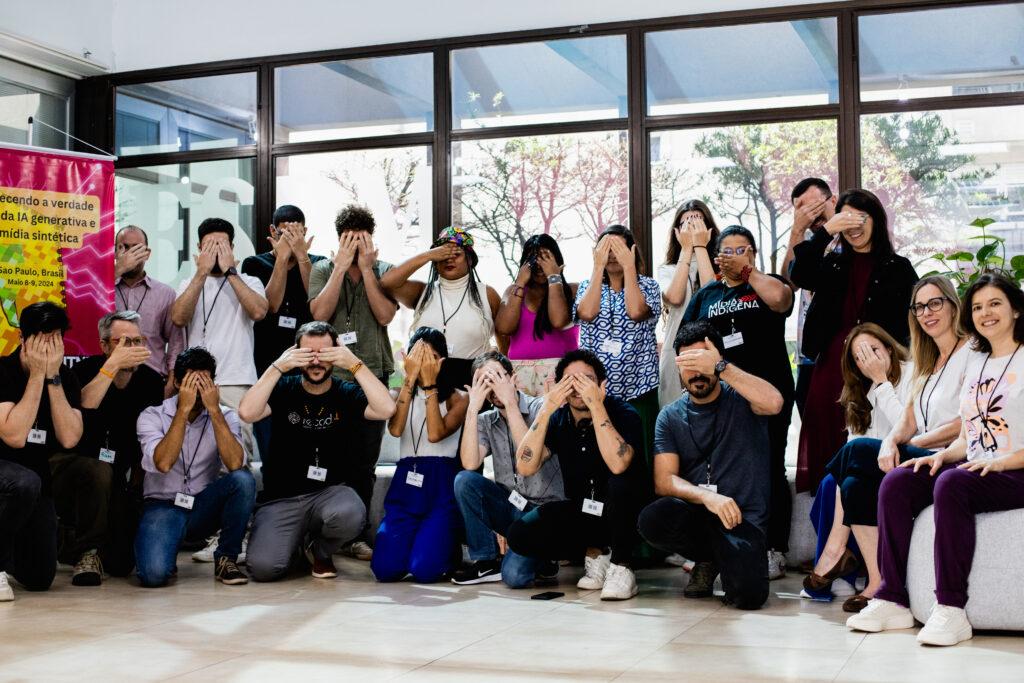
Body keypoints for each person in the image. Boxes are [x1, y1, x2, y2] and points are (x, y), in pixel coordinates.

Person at [848, 273, 1024, 647]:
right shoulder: (979, 363)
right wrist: (941, 455)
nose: (985, 313)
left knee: (952, 483)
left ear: (1016, 309)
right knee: (899, 479)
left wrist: (1002, 463)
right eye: (978, 306)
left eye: (995, 304)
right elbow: (968, 436)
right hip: (978, 465)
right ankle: (892, 597)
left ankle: (951, 608)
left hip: (1016, 469)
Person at [816, 276, 969, 611]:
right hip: (922, 453)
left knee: (854, 453)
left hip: (952, 457)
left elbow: (965, 422)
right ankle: (879, 583)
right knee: (853, 484)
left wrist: (903, 441)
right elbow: (909, 419)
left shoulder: (971, 352)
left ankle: (835, 548)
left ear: (953, 304)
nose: (926, 313)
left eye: (935, 303)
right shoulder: (929, 362)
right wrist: (893, 442)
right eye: (919, 307)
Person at [638, 320, 784, 610]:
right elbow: (664, 480)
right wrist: (708, 496)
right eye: (687, 363)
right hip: (701, 515)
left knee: (748, 597)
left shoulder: (743, 398)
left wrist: (721, 367)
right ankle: (708, 558)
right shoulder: (669, 417)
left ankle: (719, 560)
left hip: (742, 520)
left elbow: (775, 402)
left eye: (702, 361)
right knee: (653, 519)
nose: (696, 372)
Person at [238, 321, 395, 582]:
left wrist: (354, 363)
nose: (316, 362)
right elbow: (247, 412)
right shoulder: (283, 388)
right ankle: (295, 543)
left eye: (324, 354)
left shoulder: (346, 393)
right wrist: (278, 366)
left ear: (336, 354)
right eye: (308, 354)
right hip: (282, 498)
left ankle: (319, 549)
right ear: (295, 354)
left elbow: (386, 409)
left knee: (351, 514)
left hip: (330, 494)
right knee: (264, 568)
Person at [682, 225, 794, 579]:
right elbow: (689, 339)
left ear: (753, 253)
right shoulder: (708, 294)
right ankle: (717, 549)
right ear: (715, 257)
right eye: (725, 250)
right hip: (722, 396)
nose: (732, 256)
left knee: (771, 465)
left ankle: (773, 548)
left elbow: (781, 301)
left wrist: (748, 273)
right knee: (721, 468)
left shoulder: (764, 283)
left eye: (740, 249)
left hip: (767, 391)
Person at [790, 189, 917, 493]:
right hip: (831, 366)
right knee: (827, 441)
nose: (854, 226)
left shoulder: (897, 267)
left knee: (870, 442)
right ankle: (830, 522)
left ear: (876, 219)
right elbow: (801, 273)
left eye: (861, 217)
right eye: (845, 219)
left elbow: (912, 326)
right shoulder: (832, 263)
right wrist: (825, 232)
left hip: (877, 369)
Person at [507, 349, 649, 601]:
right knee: (520, 535)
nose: (578, 387)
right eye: (570, 381)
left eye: (586, 379)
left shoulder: (624, 412)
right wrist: (547, 408)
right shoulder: (559, 418)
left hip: (630, 515)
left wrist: (596, 406)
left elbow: (618, 464)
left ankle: (622, 566)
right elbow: (526, 466)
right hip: (585, 512)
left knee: (619, 482)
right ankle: (597, 553)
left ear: (601, 385)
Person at [309, 204, 397, 561]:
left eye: (364, 240)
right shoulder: (322, 269)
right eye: (350, 240)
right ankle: (325, 533)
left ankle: (356, 534)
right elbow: (319, 314)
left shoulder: (384, 270)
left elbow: (385, 314)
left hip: (371, 376)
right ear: (339, 239)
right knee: (328, 456)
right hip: (331, 378)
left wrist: (366, 269)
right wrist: (342, 268)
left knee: (364, 462)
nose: (358, 245)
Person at [803, 323, 913, 607]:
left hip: (907, 456)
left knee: (841, 477)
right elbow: (856, 447)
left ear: (889, 347)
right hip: (872, 467)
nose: (870, 361)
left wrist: (883, 383)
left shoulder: (912, 374)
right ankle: (871, 578)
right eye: (860, 358)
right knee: (838, 482)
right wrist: (874, 383)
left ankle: (834, 552)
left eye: (873, 351)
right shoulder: (859, 392)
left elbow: (912, 430)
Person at [54, 311, 164, 585]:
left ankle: (79, 546)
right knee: (99, 470)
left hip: (121, 475)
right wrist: (112, 367)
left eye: (137, 341)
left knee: (121, 563)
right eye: (122, 342)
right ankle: (86, 552)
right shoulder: (82, 371)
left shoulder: (151, 381)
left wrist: (136, 490)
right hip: (80, 466)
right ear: (104, 346)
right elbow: (85, 404)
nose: (132, 348)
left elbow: (147, 443)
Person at [134, 347, 255, 587]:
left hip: (203, 505)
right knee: (154, 575)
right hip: (163, 505)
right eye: (192, 382)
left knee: (243, 480)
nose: (199, 390)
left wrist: (214, 410)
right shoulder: (152, 415)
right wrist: (182, 410)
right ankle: (166, 547)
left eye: (205, 382)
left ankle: (226, 558)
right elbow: (164, 462)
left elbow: (234, 463)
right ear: (178, 382)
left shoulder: (225, 416)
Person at [451, 351, 565, 587]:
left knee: (515, 577)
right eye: (485, 382)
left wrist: (511, 403)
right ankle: (486, 561)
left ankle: (543, 556)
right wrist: (472, 409)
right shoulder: (485, 420)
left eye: (498, 378)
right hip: (511, 505)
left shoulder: (541, 408)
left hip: (543, 510)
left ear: (513, 378)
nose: (493, 387)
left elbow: (529, 461)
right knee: (464, 480)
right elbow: (470, 463)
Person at [371, 328, 469, 583]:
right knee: (385, 569)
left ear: (441, 362)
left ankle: (446, 548)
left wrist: (429, 385)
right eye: (418, 356)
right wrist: (408, 379)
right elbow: (395, 429)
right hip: (406, 479)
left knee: (425, 570)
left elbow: (436, 434)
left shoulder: (458, 398)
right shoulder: (399, 389)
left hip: (441, 482)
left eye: (431, 357)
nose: (424, 362)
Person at [0, 303, 82, 600]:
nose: (50, 346)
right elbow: (14, 436)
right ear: (23, 339)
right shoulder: (3, 370)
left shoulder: (65, 378)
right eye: (43, 338)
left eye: (57, 337)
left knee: (39, 578)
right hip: (5, 472)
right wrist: (36, 376)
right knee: (23, 481)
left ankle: (8, 555)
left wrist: (51, 377)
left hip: (35, 483)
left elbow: (70, 437)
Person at [170, 217, 269, 460]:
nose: (215, 251)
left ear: (232, 249)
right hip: (195, 379)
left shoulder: (249, 281)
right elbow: (179, 318)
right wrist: (201, 272)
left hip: (236, 379)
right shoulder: (188, 283)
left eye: (221, 245)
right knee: (193, 451)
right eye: (209, 246)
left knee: (236, 452)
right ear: (199, 249)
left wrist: (230, 271)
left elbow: (258, 311)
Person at [575, 225, 661, 463]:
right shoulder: (587, 286)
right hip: (598, 391)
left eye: (618, 248)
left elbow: (635, 311)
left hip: (640, 386)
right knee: (602, 453)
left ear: (632, 251)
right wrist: (598, 266)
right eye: (606, 249)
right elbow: (587, 312)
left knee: (641, 452)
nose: (612, 254)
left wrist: (629, 267)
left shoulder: (649, 286)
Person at [381, 226, 500, 390]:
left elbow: (504, 338)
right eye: (443, 255)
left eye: (456, 254)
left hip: (472, 381)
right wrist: (429, 255)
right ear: (435, 263)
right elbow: (387, 282)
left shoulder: (487, 294)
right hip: (425, 378)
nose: (449, 259)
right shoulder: (422, 291)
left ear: (470, 259)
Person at [495, 235, 579, 396]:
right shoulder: (514, 292)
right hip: (519, 372)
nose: (539, 266)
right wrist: (519, 282)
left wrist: (553, 277)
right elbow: (504, 328)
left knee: (555, 420)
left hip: (561, 371)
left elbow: (559, 320)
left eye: (546, 259)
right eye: (534, 260)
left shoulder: (572, 290)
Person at [781, 178, 837, 416]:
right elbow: (788, 283)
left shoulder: (852, 238)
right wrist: (797, 229)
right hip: (808, 358)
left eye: (816, 208)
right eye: (804, 213)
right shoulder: (805, 242)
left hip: (840, 354)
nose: (813, 218)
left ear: (833, 200)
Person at [657, 200, 718, 409]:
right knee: (675, 412)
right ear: (676, 231)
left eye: (698, 222)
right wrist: (686, 249)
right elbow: (674, 297)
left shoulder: (720, 263)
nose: (693, 229)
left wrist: (700, 245)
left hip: (712, 349)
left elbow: (711, 294)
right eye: (686, 224)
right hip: (675, 350)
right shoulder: (667, 269)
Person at [114, 225, 184, 398]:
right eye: (123, 247)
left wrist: (171, 382)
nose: (130, 253)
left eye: (137, 248)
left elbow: (176, 342)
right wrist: (117, 270)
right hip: (107, 377)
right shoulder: (101, 288)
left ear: (148, 253)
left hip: (152, 380)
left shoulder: (165, 293)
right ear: (114, 251)